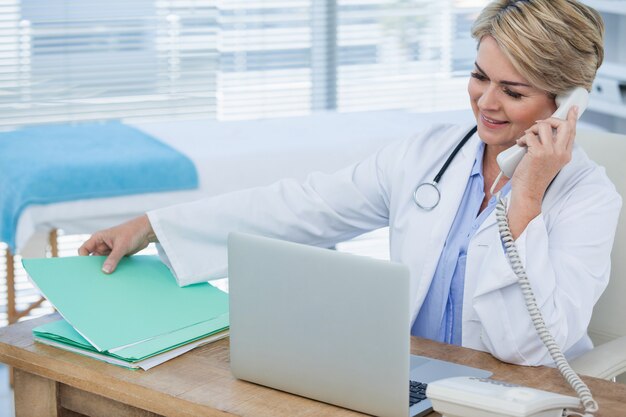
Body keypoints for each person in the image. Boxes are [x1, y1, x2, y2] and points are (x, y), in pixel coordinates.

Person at [79, 0, 621, 366]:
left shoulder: (588, 200)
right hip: (414, 381)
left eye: (514, 90)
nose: (485, 102)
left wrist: (526, 195)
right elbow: (302, 207)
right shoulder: (429, 155)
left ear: (567, 103)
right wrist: (154, 226)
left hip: (521, 399)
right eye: (479, 76)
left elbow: (526, 347)